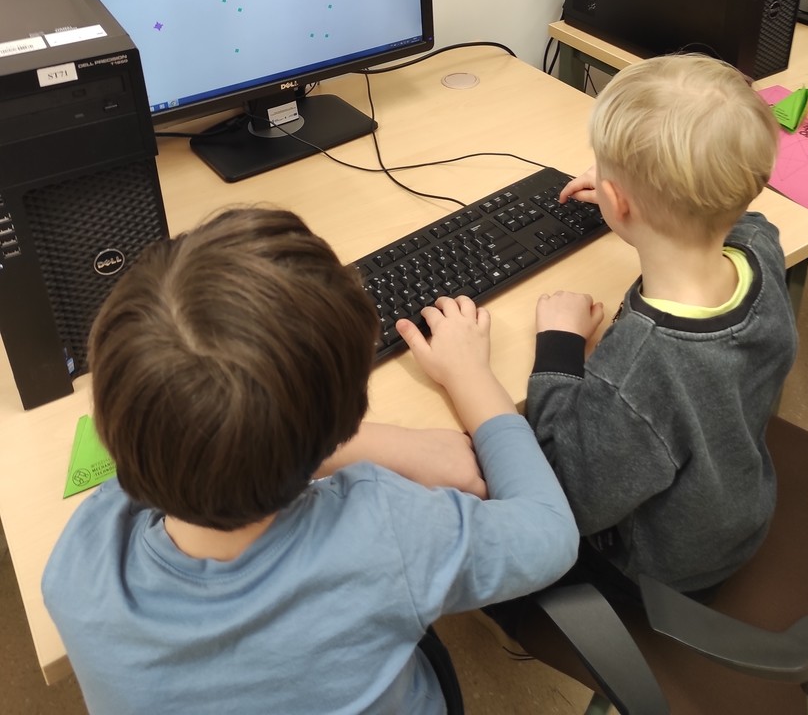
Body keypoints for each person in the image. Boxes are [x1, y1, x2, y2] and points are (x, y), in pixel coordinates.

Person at [42, 207, 578, 715]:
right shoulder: (387, 532)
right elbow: (550, 534)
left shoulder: (77, 568)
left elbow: (167, 445)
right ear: (345, 420)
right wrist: (469, 375)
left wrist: (324, 437)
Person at [521, 51, 794, 607]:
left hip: (662, 567)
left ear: (616, 202)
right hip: (738, 506)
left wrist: (559, 346)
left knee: (479, 468)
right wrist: (647, 195)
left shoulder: (641, 368)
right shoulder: (758, 248)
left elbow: (565, 492)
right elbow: (733, 212)